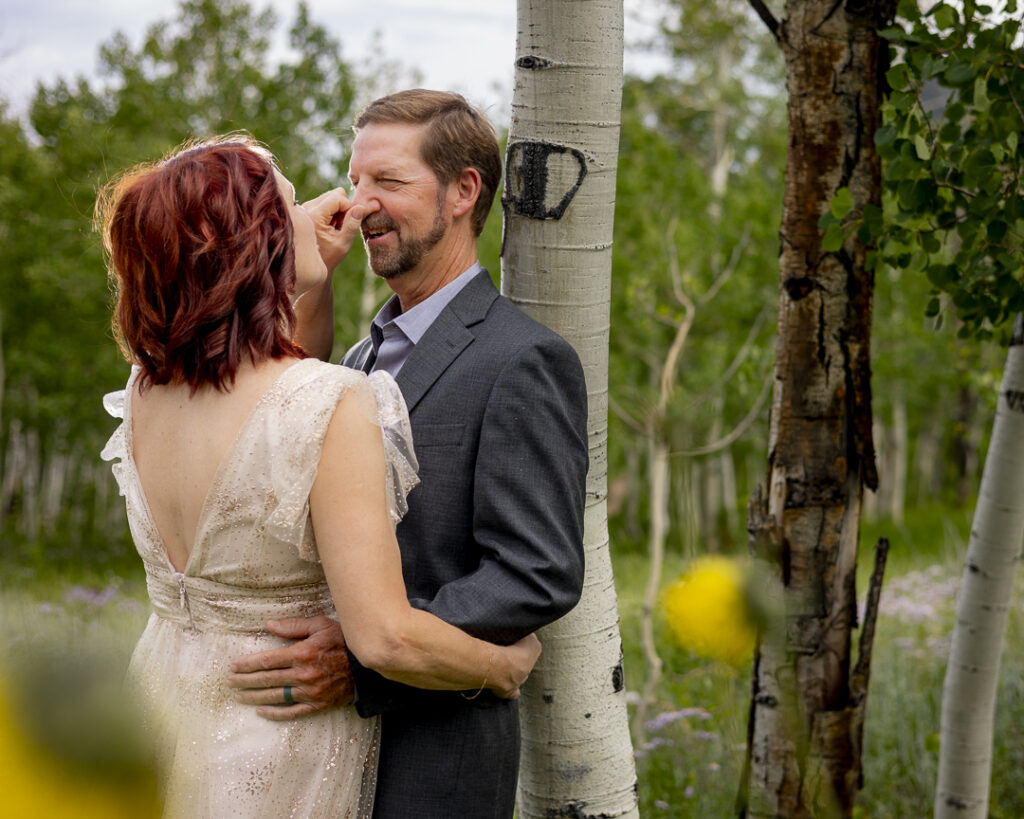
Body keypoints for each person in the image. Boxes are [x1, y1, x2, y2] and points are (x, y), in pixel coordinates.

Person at [97, 135, 541, 818]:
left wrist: (307, 277)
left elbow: (264, 426)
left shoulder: (149, 390)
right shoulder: (333, 402)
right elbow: (385, 637)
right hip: (274, 746)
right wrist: (500, 667)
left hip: (158, 714)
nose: (321, 212)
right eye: (290, 203)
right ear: (260, 240)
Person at [228, 90, 590, 817]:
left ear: (463, 192)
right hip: (314, 757)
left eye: (388, 183)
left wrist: (366, 653)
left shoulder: (523, 360)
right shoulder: (359, 359)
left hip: (436, 759)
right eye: (355, 181)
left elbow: (537, 571)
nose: (359, 205)